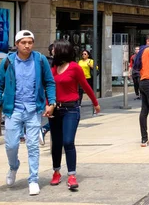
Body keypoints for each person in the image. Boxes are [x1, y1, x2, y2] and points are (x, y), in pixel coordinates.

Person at [0, 30, 57, 196]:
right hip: (13, 110)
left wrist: (52, 103)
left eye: (30, 42)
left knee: (33, 145)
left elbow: (49, 83)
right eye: (23, 42)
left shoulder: (40, 60)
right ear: (16, 44)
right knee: (11, 145)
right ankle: (14, 167)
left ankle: (33, 179)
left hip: (34, 109)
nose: (27, 45)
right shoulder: (8, 61)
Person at [49, 40, 101, 190]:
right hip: (55, 110)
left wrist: (95, 103)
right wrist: (48, 104)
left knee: (68, 141)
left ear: (62, 50)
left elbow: (86, 86)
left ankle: (71, 175)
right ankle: (56, 172)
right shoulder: (53, 68)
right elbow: (48, 87)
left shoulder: (74, 68)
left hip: (71, 109)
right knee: (56, 143)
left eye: (55, 48)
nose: (52, 50)